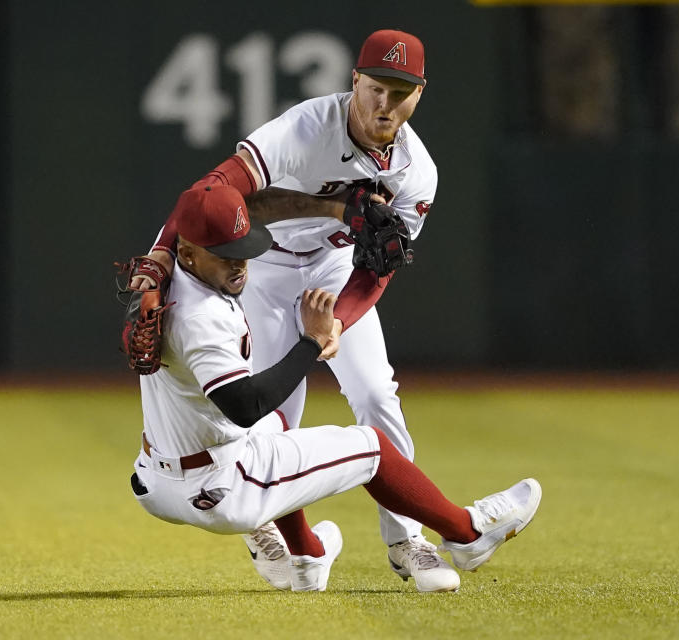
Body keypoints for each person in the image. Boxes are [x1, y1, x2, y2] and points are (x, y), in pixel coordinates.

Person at [131, 28, 469, 592]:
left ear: (419, 93)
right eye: (376, 87)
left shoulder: (418, 172)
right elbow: (213, 189)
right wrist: (163, 251)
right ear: (354, 81)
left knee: (373, 391)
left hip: (334, 270)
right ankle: (287, 541)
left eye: (400, 90)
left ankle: (408, 539)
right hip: (262, 263)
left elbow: (378, 265)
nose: (385, 102)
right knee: (270, 411)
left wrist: (338, 323)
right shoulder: (306, 127)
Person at [128, 183, 542, 592]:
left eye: (244, 249)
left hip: (155, 482)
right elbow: (244, 405)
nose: (240, 264)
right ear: (186, 252)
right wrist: (310, 340)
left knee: (275, 429)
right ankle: (468, 534)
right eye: (225, 254)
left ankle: (307, 558)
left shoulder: (162, 283)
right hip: (222, 488)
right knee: (372, 448)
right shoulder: (204, 317)